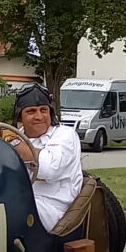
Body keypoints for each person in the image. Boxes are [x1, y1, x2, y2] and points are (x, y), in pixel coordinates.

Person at [7, 82, 84, 231]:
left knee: (6, 210)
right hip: (21, 201)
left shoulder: (65, 134)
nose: (39, 116)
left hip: (55, 210)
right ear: (20, 116)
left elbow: (48, 169)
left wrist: (13, 142)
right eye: (31, 111)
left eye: (43, 110)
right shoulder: (15, 136)